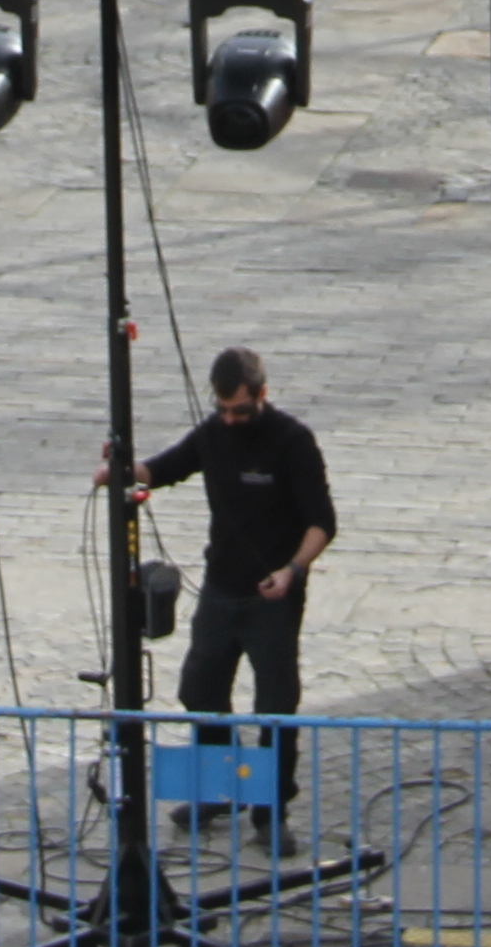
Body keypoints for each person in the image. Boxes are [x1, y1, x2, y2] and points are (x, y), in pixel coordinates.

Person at [127, 350, 341, 830]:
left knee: (275, 706)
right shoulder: (212, 434)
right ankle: (221, 787)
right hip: (220, 589)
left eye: (239, 411)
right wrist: (121, 469)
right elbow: (163, 468)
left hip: (273, 597)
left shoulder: (293, 441)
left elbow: (322, 523)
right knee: (199, 690)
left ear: (262, 395)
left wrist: (292, 570)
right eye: (222, 410)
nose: (229, 419)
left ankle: (271, 809)